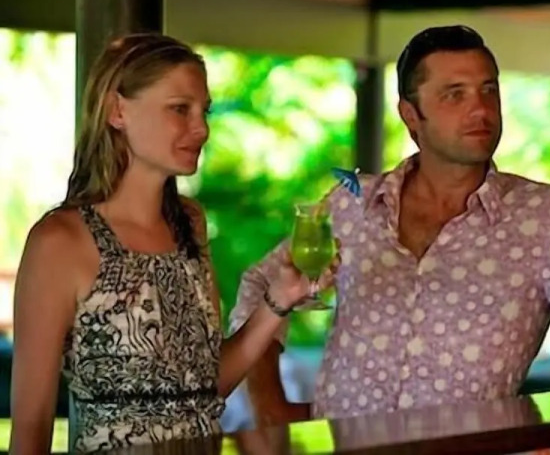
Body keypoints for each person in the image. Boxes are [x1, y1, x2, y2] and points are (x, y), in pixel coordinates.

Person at [229, 25, 550, 424]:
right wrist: (270, 408)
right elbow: (261, 286)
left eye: (489, 90)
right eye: (455, 94)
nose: (480, 109)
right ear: (411, 116)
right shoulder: (351, 204)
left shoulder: (546, 217)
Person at [9, 33, 336, 453]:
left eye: (205, 111)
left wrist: (279, 300)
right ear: (117, 111)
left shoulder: (190, 223)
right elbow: (30, 430)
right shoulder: (60, 241)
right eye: (180, 109)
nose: (202, 129)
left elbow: (205, 386)